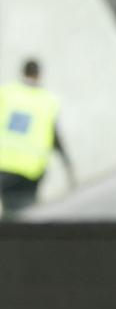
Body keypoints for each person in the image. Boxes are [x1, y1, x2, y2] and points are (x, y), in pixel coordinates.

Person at [0, 59, 74, 216]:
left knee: (9, 209)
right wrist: (67, 162)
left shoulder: (6, 93)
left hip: (4, 164)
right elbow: (55, 135)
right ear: (39, 75)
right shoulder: (47, 100)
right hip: (31, 168)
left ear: (22, 72)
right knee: (24, 211)